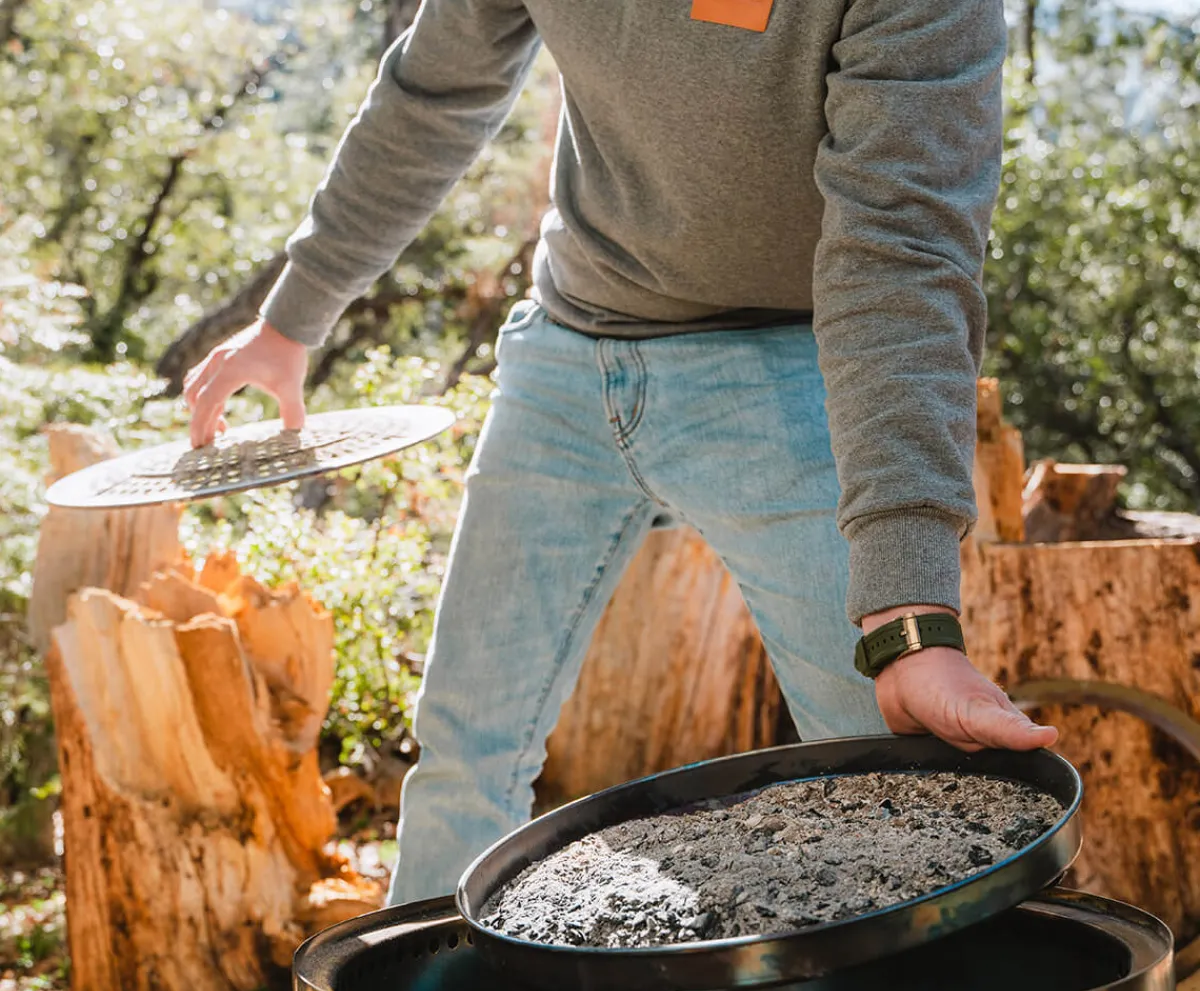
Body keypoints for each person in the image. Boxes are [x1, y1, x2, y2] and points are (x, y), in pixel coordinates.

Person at [184, 0, 1057, 904]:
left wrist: (909, 612)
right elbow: (434, 90)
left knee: (890, 779)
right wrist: (294, 317)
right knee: (462, 754)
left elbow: (902, 246)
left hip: (785, 374)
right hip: (564, 354)